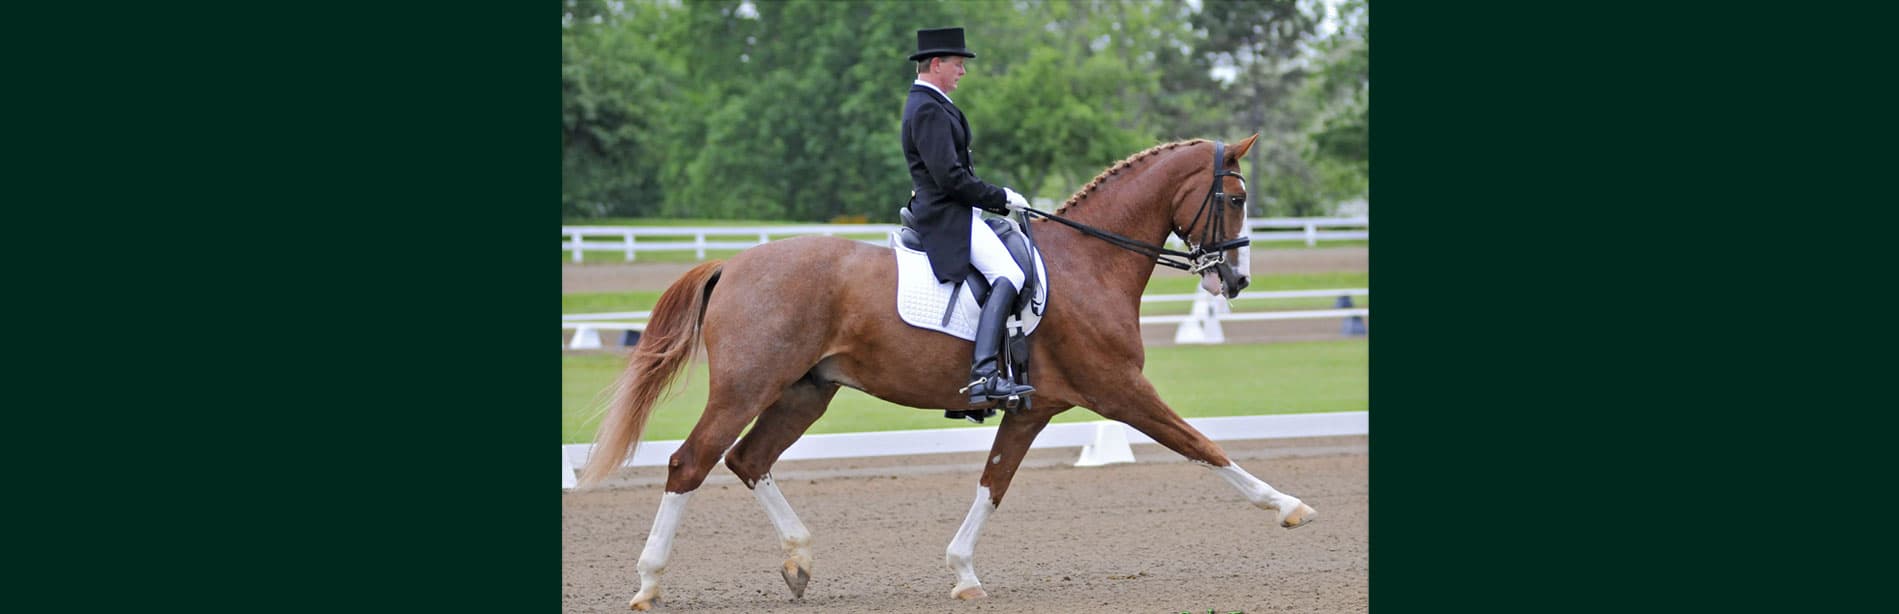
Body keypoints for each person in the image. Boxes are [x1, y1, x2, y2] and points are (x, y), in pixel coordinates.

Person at [900, 26, 1036, 406]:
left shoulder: (933, 103)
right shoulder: (927, 108)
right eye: (958, 64)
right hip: (946, 215)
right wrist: (1001, 197)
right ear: (937, 64)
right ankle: (983, 376)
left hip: (956, 210)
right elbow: (951, 179)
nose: (963, 72)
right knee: (1009, 273)